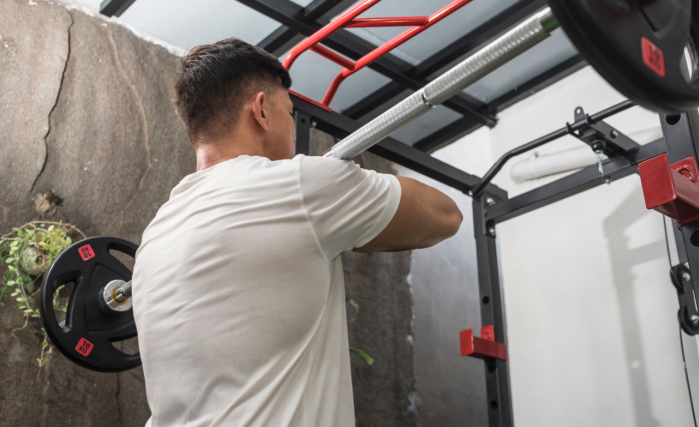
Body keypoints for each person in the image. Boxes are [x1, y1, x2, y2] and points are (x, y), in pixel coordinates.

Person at [131, 38, 462, 427]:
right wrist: (339, 187)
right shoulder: (299, 186)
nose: (293, 128)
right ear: (261, 111)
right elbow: (445, 215)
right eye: (289, 112)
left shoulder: (155, 234)